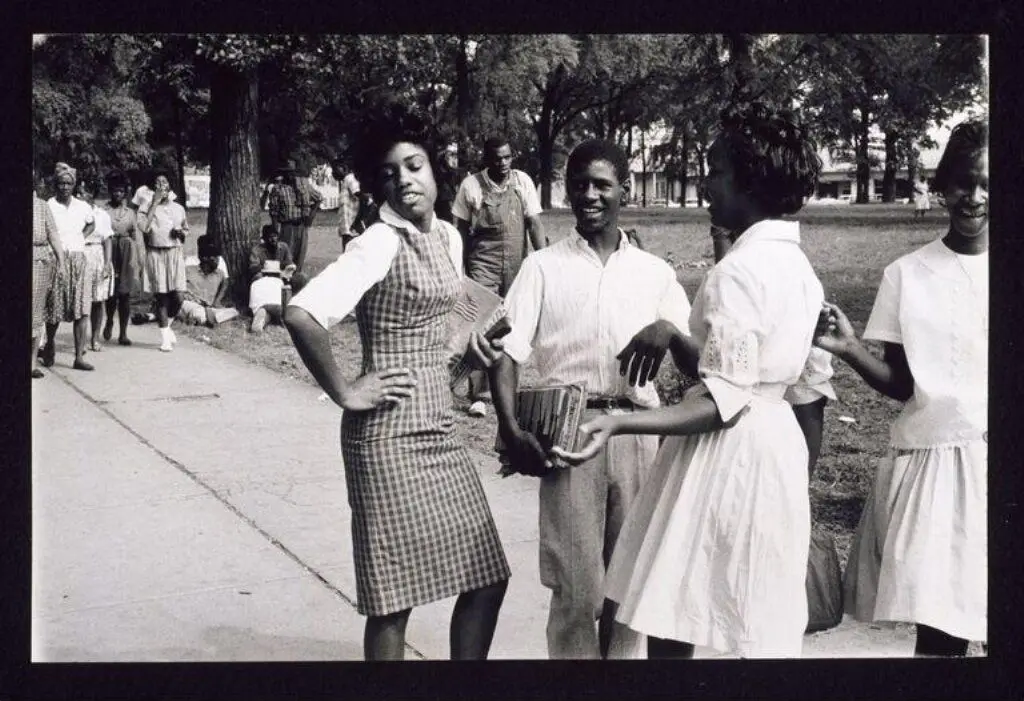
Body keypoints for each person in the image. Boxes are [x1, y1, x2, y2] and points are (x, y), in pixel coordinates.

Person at [553, 104, 835, 659]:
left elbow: (723, 402)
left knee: (674, 608)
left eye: (716, 171)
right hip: (776, 448)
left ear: (750, 182)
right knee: (752, 612)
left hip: (724, 453)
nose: (705, 183)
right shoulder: (798, 267)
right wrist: (673, 335)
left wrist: (619, 423)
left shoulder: (739, 272)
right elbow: (742, 367)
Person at [283, 101, 510, 661]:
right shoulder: (378, 242)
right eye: (389, 173)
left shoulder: (449, 237)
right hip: (384, 436)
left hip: (439, 427)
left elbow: (444, 323)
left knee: (486, 577)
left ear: (435, 171)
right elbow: (301, 314)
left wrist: (470, 348)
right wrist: (345, 391)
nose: (404, 180)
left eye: (414, 166)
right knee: (393, 599)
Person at [488, 139, 693, 659]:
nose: (589, 195)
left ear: (625, 188)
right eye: (578, 185)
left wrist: (668, 330)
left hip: (639, 431)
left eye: (602, 184)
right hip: (571, 434)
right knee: (577, 591)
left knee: (629, 591)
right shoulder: (542, 267)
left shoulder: (654, 272)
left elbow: (699, 364)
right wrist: (511, 429)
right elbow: (506, 353)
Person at [814, 118, 988, 657]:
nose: (974, 197)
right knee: (940, 629)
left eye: (988, 183)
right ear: (942, 187)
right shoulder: (907, 274)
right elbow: (902, 384)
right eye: (962, 183)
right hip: (937, 466)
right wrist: (850, 349)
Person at [453, 135, 546, 417]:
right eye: (497, 158)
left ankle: (506, 391)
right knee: (481, 325)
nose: (503, 163)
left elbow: (534, 223)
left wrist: (544, 260)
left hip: (517, 263)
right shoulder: (471, 186)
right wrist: (459, 269)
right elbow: (460, 231)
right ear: (487, 160)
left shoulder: (522, 182)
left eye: (507, 157)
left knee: (513, 326)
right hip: (483, 262)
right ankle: (478, 394)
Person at [42, 163, 96, 371]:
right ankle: (49, 344)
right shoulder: (49, 205)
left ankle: (79, 357)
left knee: (82, 308)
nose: (65, 187)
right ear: (56, 185)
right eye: (61, 183)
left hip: (79, 259)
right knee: (54, 306)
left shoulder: (82, 206)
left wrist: (80, 237)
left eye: (68, 184)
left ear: (74, 186)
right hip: (57, 258)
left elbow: (91, 223)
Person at [138, 170, 189, 352]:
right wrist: (154, 203)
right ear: (153, 188)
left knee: (179, 296)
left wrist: (180, 233)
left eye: (164, 182)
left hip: (174, 253)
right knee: (161, 297)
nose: (161, 186)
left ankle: (168, 325)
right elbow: (144, 228)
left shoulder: (178, 208)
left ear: (170, 186)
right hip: (156, 254)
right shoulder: (146, 207)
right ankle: (165, 338)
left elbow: (185, 230)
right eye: (157, 183)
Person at [102, 170, 144, 346]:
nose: (117, 194)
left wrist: (139, 260)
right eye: (115, 190)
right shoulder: (104, 211)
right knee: (111, 292)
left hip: (126, 252)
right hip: (110, 249)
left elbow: (136, 236)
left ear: (125, 192)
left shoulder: (130, 213)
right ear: (110, 191)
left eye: (120, 190)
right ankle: (109, 320)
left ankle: (123, 333)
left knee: (124, 294)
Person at [75, 179, 114, 352]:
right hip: (80, 254)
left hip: (97, 255)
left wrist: (107, 263)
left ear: (91, 195)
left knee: (98, 300)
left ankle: (95, 338)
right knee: (81, 301)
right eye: (78, 192)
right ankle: (81, 341)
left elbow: (107, 240)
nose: (80, 195)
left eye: (83, 192)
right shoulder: (74, 213)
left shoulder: (102, 215)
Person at [248, 223, 306, 333]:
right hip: (264, 277)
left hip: (282, 277)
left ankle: (295, 306)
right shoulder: (257, 250)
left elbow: (289, 262)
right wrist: (267, 268)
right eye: (270, 237)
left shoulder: (283, 247)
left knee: (301, 278)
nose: (273, 239)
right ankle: (267, 314)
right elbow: (253, 267)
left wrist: (288, 268)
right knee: (258, 278)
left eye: (275, 236)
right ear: (264, 239)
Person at [33, 185, 65, 378]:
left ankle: (31, 363)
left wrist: (61, 261)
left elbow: (53, 234)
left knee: (36, 312)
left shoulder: (42, 206)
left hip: (39, 260)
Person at [178, 237, 239, 327]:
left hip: (208, 307)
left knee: (234, 312)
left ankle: (207, 318)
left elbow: (226, 283)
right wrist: (187, 297)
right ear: (204, 258)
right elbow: (177, 288)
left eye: (218, 258)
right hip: (189, 303)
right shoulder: (188, 270)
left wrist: (217, 302)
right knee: (197, 312)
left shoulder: (220, 274)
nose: (218, 261)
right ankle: (207, 319)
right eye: (215, 259)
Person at [434, 142, 461, 224]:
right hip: (444, 195)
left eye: (455, 155)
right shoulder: (441, 168)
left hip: (450, 191)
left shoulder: (457, 173)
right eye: (452, 155)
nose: (455, 158)